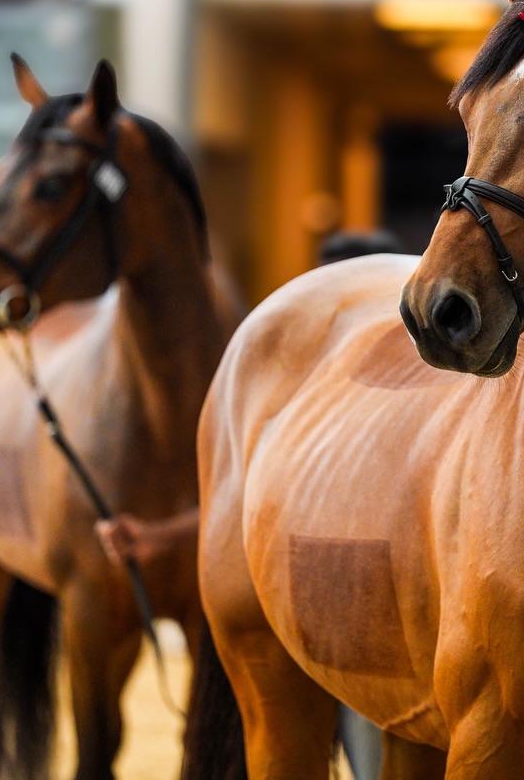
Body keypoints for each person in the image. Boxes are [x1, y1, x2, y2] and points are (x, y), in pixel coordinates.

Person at [96, 229, 407, 780]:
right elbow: (252, 510)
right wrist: (158, 537)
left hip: (372, 628)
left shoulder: (394, 405)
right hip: (314, 607)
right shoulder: (304, 397)